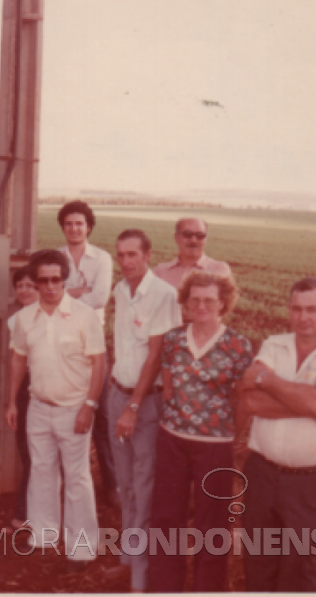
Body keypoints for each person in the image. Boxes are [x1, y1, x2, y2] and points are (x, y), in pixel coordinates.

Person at [236, 277, 316, 592]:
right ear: (289, 311)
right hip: (261, 474)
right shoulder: (273, 344)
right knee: (258, 565)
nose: (303, 317)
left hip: (310, 484)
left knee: (301, 570)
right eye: (296, 309)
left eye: (312, 310)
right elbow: (250, 400)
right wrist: (314, 407)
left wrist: (268, 379)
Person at [149, 272, 253, 592]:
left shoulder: (238, 345)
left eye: (209, 300)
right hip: (172, 440)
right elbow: (168, 386)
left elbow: (244, 400)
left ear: (223, 303)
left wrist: (225, 431)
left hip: (215, 445)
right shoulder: (173, 339)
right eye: (194, 299)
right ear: (186, 302)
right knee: (167, 518)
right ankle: (165, 588)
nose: (201, 305)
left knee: (214, 524)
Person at [5, 249, 106, 561]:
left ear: (65, 280)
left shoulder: (83, 315)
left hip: (73, 409)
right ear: (35, 283)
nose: (50, 286)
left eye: (56, 280)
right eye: (43, 281)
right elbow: (19, 358)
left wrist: (89, 405)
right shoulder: (23, 319)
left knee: (77, 477)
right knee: (41, 470)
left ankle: (82, 548)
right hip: (38, 407)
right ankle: (45, 535)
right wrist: (11, 402)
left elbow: (99, 362)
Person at [107, 229, 181, 592]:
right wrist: (118, 400)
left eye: (133, 254)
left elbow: (155, 356)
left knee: (144, 483)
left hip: (144, 404)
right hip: (116, 396)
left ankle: (141, 575)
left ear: (149, 256)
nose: (126, 262)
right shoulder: (120, 291)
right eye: (120, 255)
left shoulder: (164, 295)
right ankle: (127, 559)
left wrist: (133, 406)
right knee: (125, 484)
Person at [56, 200, 118, 507]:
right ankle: (66, 480)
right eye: (68, 224)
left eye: (79, 223)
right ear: (63, 228)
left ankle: (112, 484)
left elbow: (100, 297)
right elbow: (49, 296)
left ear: (88, 227)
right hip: (63, 343)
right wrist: (75, 292)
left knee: (102, 413)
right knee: (65, 409)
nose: (74, 228)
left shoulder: (102, 258)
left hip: (94, 345)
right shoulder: (56, 258)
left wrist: (66, 295)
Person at [4, 265, 38, 532]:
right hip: (28, 387)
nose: (25, 290)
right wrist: (12, 401)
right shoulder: (16, 320)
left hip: (52, 388)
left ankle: (30, 514)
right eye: (20, 286)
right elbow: (17, 364)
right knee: (28, 452)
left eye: (31, 285)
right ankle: (27, 512)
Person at [153, 217, 231, 290]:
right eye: (187, 234)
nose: (193, 240)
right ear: (176, 238)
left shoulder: (218, 270)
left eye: (200, 235)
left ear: (206, 239)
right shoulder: (160, 272)